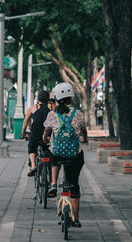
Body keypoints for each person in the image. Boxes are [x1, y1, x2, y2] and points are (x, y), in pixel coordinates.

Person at [43, 82, 88, 228]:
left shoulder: (52, 115)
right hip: (74, 155)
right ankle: (76, 219)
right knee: (74, 185)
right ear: (71, 98)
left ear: (56, 98)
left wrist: (45, 139)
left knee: (52, 152)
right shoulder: (78, 114)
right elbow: (83, 133)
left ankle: (53, 183)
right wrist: (84, 139)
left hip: (57, 154)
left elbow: (46, 132)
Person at [21, 90, 51, 176]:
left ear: (38, 99)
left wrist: (23, 133)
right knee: (48, 150)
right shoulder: (50, 109)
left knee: (32, 147)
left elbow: (25, 122)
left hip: (35, 134)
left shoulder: (33, 108)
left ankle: (33, 166)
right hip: (47, 135)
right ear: (48, 99)